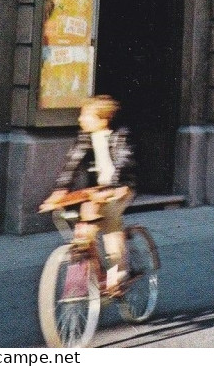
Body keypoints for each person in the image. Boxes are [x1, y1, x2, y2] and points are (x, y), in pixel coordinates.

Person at [43, 95, 135, 288]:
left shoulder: (121, 135)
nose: (80, 119)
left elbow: (122, 164)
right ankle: (83, 274)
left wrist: (112, 189)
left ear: (103, 120)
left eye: (86, 115)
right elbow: (72, 163)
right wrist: (60, 190)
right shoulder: (85, 136)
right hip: (98, 189)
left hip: (121, 187)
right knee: (85, 226)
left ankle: (118, 272)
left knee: (110, 222)